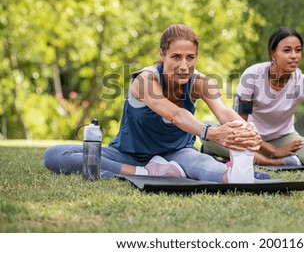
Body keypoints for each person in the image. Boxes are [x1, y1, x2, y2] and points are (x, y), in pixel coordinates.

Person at [43, 24, 263, 183]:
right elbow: (174, 114)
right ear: (162, 54)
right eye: (176, 57)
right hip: (129, 154)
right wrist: (211, 133)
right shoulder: (145, 81)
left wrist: (247, 130)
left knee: (202, 165)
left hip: (178, 152)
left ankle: (235, 174)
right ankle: (145, 173)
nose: (184, 66)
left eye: (190, 57)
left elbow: (224, 112)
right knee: (55, 155)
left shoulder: (202, 82)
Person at [202, 27, 304, 169]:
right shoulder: (252, 76)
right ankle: (273, 162)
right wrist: (273, 152)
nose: (294, 56)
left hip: (285, 137)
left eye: (298, 50)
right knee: (209, 131)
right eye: (287, 50)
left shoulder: (300, 80)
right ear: (272, 54)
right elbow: (241, 125)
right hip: (251, 138)